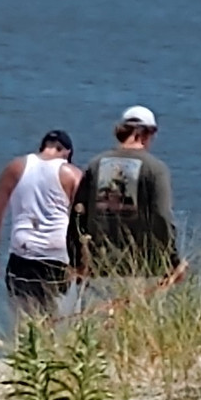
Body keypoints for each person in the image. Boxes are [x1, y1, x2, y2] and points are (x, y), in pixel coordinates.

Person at [68, 105, 184, 286]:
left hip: (98, 269)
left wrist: (76, 261)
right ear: (148, 133)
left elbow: (77, 216)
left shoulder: (96, 164)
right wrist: (172, 261)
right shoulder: (155, 169)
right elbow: (162, 217)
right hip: (142, 271)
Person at [0, 129, 82, 314]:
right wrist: (84, 263)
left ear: (43, 147)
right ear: (67, 152)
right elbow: (83, 221)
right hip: (57, 256)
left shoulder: (15, 167)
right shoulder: (72, 174)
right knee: (60, 323)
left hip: (22, 255)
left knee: (24, 326)